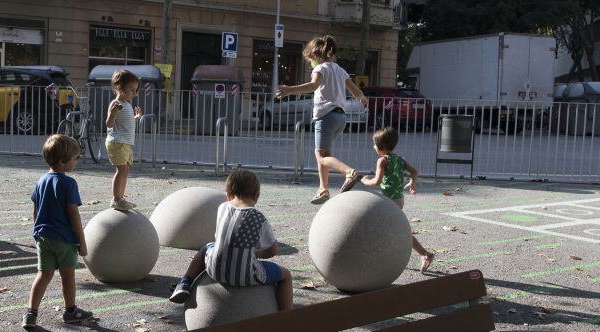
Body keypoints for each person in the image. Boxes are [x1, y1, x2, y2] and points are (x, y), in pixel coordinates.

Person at [169, 169, 294, 311]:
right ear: (256, 195)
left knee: (206, 248)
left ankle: (185, 283)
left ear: (228, 195)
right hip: (245, 276)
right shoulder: (258, 217)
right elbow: (273, 250)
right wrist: (257, 254)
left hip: (214, 269)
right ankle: (287, 316)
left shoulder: (222, 207)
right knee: (286, 276)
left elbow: (222, 241)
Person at [275, 35, 368, 205]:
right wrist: (362, 98)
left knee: (321, 156)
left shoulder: (321, 69)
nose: (310, 62)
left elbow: (313, 86)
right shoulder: (340, 70)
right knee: (324, 154)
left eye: (310, 59)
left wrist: (289, 90)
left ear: (315, 56)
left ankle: (349, 172)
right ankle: (323, 190)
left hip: (325, 116)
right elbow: (355, 91)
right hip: (340, 117)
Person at [22, 134, 92, 329]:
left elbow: (35, 209)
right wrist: (82, 241)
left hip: (44, 236)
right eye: (75, 158)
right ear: (63, 162)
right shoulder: (68, 183)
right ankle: (70, 311)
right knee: (67, 276)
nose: (76, 161)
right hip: (64, 238)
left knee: (43, 275)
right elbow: (73, 214)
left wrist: (37, 232)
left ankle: (31, 313)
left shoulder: (41, 180)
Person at [357, 126, 435, 272]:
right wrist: (412, 182)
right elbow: (415, 172)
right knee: (390, 229)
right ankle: (423, 254)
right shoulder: (400, 159)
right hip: (398, 200)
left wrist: (364, 181)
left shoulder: (382, 161)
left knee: (396, 231)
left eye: (375, 144)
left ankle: (425, 254)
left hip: (389, 202)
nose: (373, 146)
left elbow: (376, 182)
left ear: (382, 147)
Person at [104, 69, 142, 211]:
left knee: (125, 170)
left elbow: (124, 122)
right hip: (117, 142)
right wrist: (113, 113)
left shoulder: (126, 104)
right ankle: (117, 199)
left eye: (135, 90)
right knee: (121, 170)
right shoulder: (116, 103)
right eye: (131, 90)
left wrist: (135, 118)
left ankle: (120, 197)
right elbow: (109, 123)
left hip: (124, 143)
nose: (133, 93)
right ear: (119, 87)